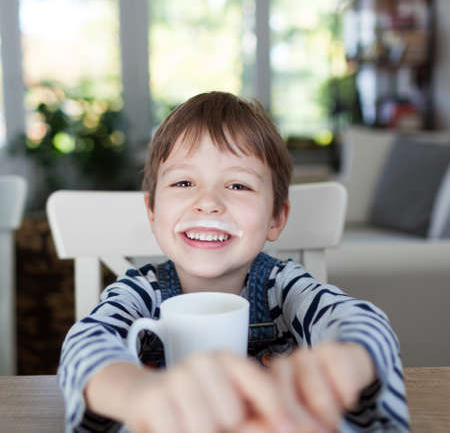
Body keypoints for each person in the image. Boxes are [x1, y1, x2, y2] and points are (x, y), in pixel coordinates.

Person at [58, 92, 409, 433]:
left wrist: (343, 363)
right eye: (183, 182)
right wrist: (138, 393)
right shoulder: (138, 292)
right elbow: (86, 342)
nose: (208, 202)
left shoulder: (284, 288)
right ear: (152, 210)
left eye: (238, 186)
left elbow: (362, 322)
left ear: (276, 217)